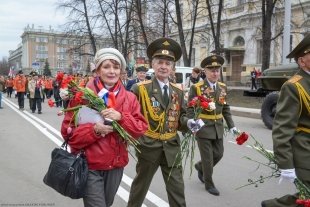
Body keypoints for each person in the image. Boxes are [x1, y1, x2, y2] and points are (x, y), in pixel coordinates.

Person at [61, 48, 148, 207]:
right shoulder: (82, 96)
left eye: (116, 67)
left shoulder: (130, 98)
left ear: (121, 71)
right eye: (106, 66)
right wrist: (94, 130)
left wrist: (121, 117)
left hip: (115, 165)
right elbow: (69, 135)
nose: (112, 71)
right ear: (98, 69)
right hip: (90, 165)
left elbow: (140, 129)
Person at [127, 37, 190, 207]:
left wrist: (189, 124)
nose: (164, 66)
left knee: (177, 188)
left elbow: (180, 118)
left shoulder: (178, 90)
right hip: (148, 146)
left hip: (171, 146)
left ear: (172, 68)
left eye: (168, 63)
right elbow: (130, 116)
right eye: (160, 62)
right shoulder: (140, 89)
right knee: (141, 186)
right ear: (153, 65)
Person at [261, 35, 310, 207]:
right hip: (305, 152)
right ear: (302, 61)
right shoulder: (294, 86)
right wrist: (286, 164)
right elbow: (282, 129)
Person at [188, 55, 237, 196]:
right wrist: (192, 125)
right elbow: (190, 108)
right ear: (205, 71)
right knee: (208, 159)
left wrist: (232, 126)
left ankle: (199, 167)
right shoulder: (197, 88)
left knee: (219, 154)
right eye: (212, 70)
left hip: (218, 127)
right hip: (203, 128)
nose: (215, 73)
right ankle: (209, 184)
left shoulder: (222, 87)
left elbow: (225, 108)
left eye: (217, 70)